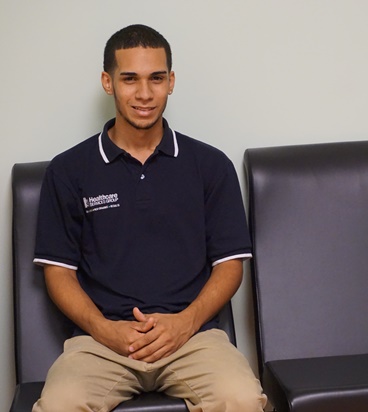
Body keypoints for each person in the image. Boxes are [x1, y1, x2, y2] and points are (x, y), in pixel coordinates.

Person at [32, 24, 267, 412]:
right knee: (60, 404)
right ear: (108, 82)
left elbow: (229, 267)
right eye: (130, 79)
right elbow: (58, 273)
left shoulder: (209, 165)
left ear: (171, 81)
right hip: (99, 343)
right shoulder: (69, 170)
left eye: (156, 78)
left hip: (194, 338)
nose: (144, 93)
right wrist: (104, 329)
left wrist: (185, 323)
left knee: (240, 399)